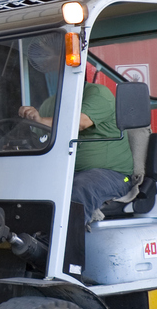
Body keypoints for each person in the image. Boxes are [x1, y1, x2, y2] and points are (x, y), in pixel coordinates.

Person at [17, 34, 134, 223]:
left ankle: (68, 248)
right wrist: (27, 123)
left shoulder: (98, 94)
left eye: (50, 53)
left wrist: (40, 119)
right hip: (65, 171)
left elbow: (80, 122)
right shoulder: (49, 104)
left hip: (113, 176)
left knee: (79, 188)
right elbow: (38, 138)